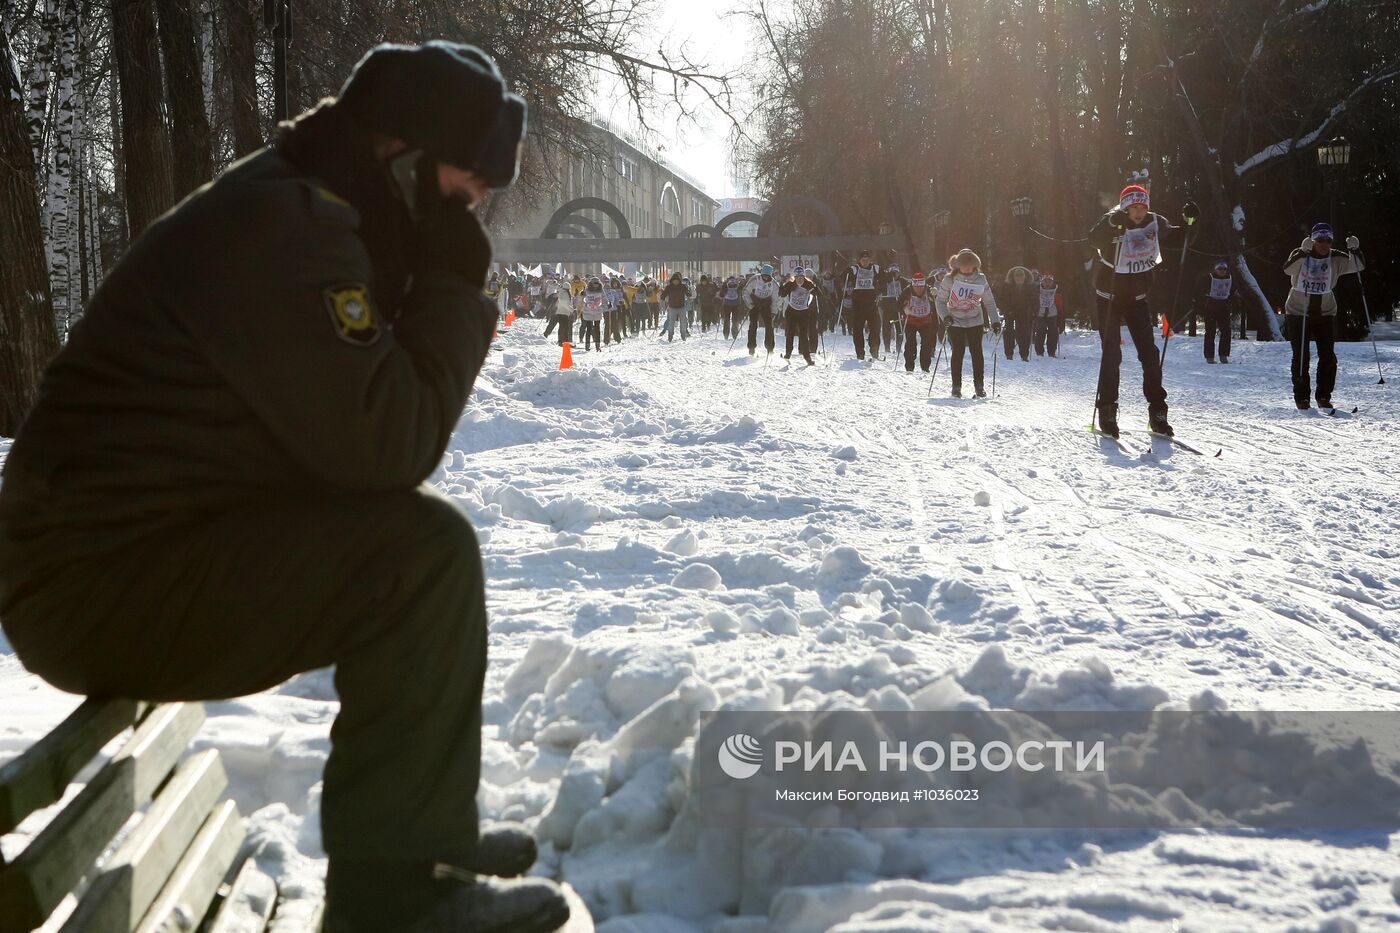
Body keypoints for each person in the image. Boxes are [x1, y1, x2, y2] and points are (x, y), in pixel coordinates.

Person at [0, 41, 571, 933]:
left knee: (417, 546)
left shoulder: (312, 207)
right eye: (466, 185)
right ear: (405, 160)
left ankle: (415, 837)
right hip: (95, 582)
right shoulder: (289, 232)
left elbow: (346, 443)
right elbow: (390, 440)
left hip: (127, 553)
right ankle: (391, 901)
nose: (475, 209)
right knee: (419, 558)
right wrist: (453, 288)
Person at [1087, 184, 1197, 437]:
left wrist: (1191, 220)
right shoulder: (1113, 219)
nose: (1138, 212)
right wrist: (1110, 225)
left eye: (1142, 207)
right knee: (1112, 354)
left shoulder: (1155, 222)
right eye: (1133, 208)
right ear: (1125, 207)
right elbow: (1093, 238)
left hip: (1137, 298)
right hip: (1109, 296)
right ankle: (1107, 410)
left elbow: (1182, 238)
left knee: (1149, 354)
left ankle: (1158, 413)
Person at [1283, 224, 1364, 410]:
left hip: (1325, 312)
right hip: (1297, 311)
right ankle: (1302, 398)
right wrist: (1303, 253)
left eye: (1328, 240)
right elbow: (1288, 270)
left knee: (1328, 356)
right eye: (1320, 239)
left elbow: (1358, 266)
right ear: (1313, 240)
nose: (1324, 244)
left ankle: (1323, 396)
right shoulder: (1301, 252)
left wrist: (1355, 249)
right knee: (1301, 356)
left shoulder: (1335, 257)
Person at [936, 248, 1001, 397]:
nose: (966, 267)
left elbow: (989, 302)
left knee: (977, 353)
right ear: (957, 265)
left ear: (974, 265)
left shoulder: (981, 279)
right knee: (958, 352)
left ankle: (979, 386)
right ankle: (956, 387)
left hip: (975, 320)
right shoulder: (949, 279)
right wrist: (945, 316)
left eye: (969, 264)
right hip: (955, 320)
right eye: (963, 264)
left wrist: (995, 321)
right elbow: (940, 301)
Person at [838, 249, 883, 359]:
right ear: (859, 260)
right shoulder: (854, 269)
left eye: (867, 260)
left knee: (875, 327)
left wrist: (880, 288)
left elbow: (885, 278)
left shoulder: (875, 268)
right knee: (858, 329)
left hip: (872, 303)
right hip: (858, 304)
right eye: (863, 260)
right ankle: (860, 353)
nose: (865, 262)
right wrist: (846, 277)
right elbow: (842, 277)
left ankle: (874, 349)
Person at [1200, 260, 1236, 364]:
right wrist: (1201, 301)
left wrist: (1230, 299)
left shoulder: (1230, 278)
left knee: (1226, 331)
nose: (1222, 271)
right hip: (1211, 305)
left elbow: (1233, 289)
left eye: (1224, 269)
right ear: (1216, 269)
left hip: (1223, 305)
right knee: (1210, 331)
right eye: (1220, 269)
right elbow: (1200, 289)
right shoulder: (1208, 277)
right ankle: (1209, 356)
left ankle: (1223, 355)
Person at [900, 272, 937, 373]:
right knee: (911, 343)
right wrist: (904, 309)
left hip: (925, 320)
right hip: (911, 320)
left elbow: (938, 300)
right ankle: (909, 367)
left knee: (926, 343)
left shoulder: (929, 290)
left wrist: (936, 294)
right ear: (913, 285)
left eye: (921, 287)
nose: (919, 289)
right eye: (917, 287)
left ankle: (925, 367)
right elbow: (898, 304)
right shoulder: (907, 291)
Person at [778, 268, 817, 365]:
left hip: (803, 312)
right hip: (791, 311)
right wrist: (782, 286)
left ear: (804, 277)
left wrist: (816, 288)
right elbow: (782, 294)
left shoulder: (809, 284)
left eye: (801, 277)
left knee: (804, 335)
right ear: (794, 277)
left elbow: (817, 293)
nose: (799, 279)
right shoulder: (790, 284)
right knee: (790, 333)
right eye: (797, 277)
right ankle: (788, 353)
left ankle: (807, 357)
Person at [1001, 266, 1037, 361]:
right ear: (1013, 277)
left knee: (1024, 333)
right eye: (1017, 277)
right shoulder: (1007, 286)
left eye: (1021, 277)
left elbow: (1035, 300)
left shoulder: (1030, 287)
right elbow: (1002, 300)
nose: (1019, 279)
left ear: (1025, 277)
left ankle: (1024, 354)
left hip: (1025, 312)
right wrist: (1007, 310)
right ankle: (1009, 353)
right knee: (1009, 332)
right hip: (1010, 312)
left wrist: (1034, 312)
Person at [743, 263, 779, 356]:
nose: (765, 278)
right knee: (753, 325)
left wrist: (774, 311)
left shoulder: (774, 284)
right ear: (761, 274)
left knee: (769, 326)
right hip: (754, 303)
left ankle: (770, 347)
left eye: (767, 276)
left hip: (766, 305)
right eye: (764, 275)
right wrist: (750, 304)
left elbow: (776, 299)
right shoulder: (754, 280)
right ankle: (751, 347)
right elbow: (746, 292)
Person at [878, 262, 908, 356]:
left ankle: (899, 347)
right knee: (886, 328)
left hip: (898, 309)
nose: (895, 275)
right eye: (893, 273)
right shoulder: (885, 281)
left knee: (899, 329)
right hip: (887, 308)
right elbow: (879, 286)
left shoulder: (903, 281)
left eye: (896, 273)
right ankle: (887, 347)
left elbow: (908, 290)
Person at [1033, 272, 1064, 357]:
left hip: (1052, 314)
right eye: (1045, 281)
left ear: (1052, 282)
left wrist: (1061, 319)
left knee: (1053, 333)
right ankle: (1039, 351)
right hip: (1040, 314)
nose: (1047, 283)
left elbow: (1060, 305)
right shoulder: (1037, 289)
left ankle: (1051, 351)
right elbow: (1033, 302)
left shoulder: (1057, 290)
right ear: (1042, 281)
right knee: (1040, 331)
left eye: (1049, 281)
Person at [660, 271, 691, 341]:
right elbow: (664, 293)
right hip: (672, 307)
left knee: (683, 322)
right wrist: (663, 296)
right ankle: (670, 335)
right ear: (672, 281)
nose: (676, 282)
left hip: (681, 307)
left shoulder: (683, 286)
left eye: (677, 281)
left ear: (679, 281)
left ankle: (683, 335)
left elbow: (688, 292)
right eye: (674, 281)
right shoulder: (669, 287)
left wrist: (688, 293)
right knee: (671, 322)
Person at [579, 276, 606, 350]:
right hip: (588, 312)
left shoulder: (601, 291)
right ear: (591, 284)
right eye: (594, 283)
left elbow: (604, 299)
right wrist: (581, 295)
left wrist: (608, 304)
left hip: (597, 311)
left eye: (597, 283)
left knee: (597, 329)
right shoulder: (587, 291)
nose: (596, 285)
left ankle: (598, 345)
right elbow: (582, 299)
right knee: (589, 329)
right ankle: (587, 345)